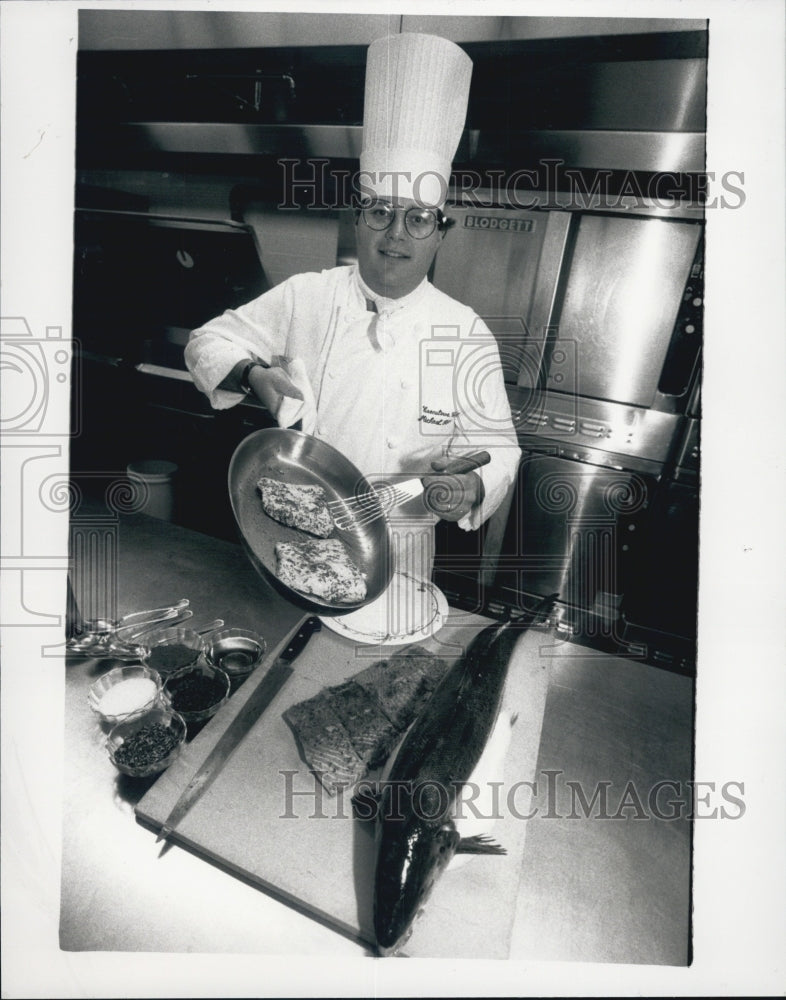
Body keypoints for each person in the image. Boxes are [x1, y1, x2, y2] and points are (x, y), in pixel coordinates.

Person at [185, 34, 521, 584]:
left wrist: (470, 487)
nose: (396, 234)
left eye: (417, 218)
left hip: (399, 557)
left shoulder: (465, 332)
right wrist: (254, 375)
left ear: (440, 234)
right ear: (356, 217)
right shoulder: (308, 295)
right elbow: (206, 342)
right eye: (380, 212)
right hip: (292, 538)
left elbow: (498, 448)